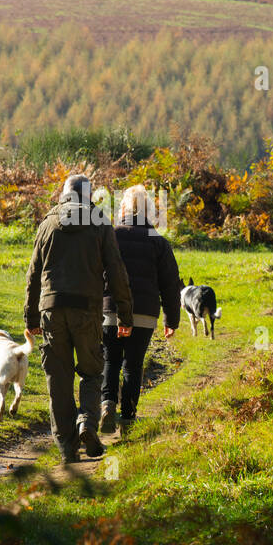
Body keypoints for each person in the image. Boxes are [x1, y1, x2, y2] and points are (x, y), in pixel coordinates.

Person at [25, 173, 133, 464]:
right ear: (88, 196)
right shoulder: (99, 222)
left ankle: (66, 447)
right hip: (87, 310)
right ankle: (86, 421)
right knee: (91, 371)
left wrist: (30, 317)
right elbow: (116, 270)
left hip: (51, 309)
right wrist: (125, 314)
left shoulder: (47, 224)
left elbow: (34, 274)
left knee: (58, 379)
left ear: (63, 195)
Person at [100, 184, 180, 439]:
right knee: (133, 366)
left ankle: (107, 405)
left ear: (123, 207)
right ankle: (128, 420)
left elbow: (98, 273)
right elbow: (170, 283)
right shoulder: (159, 241)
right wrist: (172, 319)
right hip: (145, 314)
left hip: (111, 310)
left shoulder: (111, 235)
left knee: (110, 360)